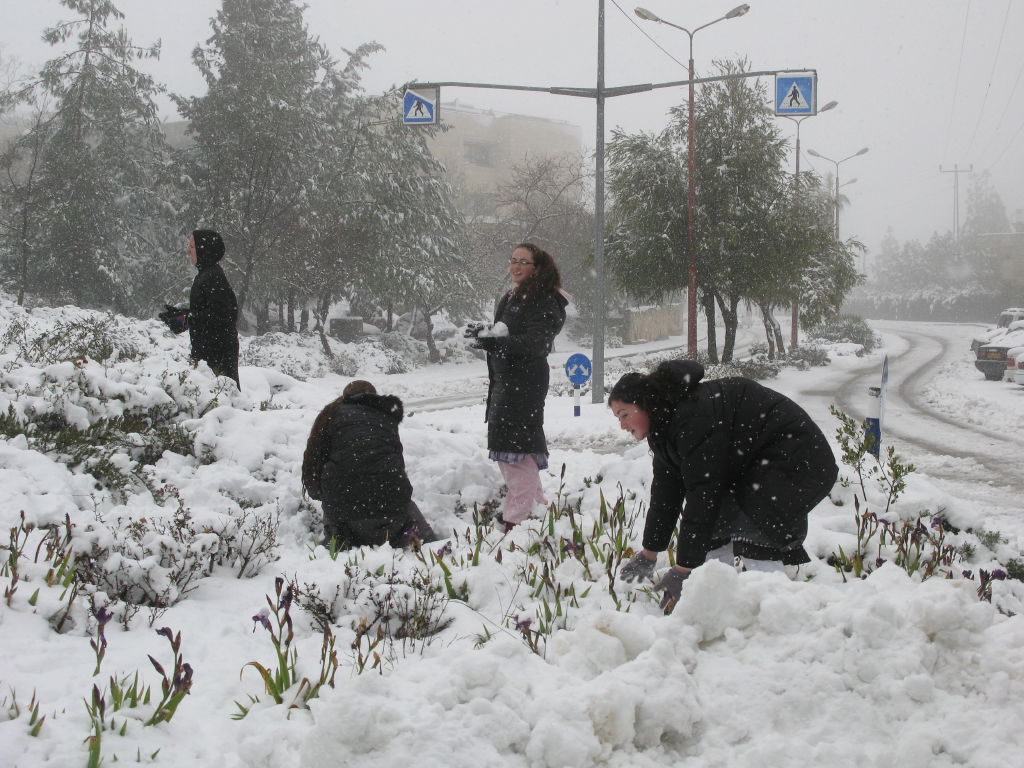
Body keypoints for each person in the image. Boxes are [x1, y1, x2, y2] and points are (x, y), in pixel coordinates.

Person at [610, 359, 838, 610]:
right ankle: (714, 603)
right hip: (756, 464)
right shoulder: (665, 428)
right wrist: (649, 552)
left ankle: (775, 608)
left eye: (624, 415)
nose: (622, 425)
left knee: (756, 526)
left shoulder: (691, 417)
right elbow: (666, 494)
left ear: (645, 404)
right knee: (719, 520)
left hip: (799, 459)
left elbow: (702, 493)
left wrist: (684, 569)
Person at [467, 243, 570, 531]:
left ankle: (517, 518)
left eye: (523, 262)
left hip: (524, 385)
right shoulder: (514, 295)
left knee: (515, 449)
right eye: (513, 260)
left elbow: (536, 342)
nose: (515, 266)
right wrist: (485, 333)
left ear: (537, 268)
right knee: (516, 447)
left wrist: (496, 343)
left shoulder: (545, 299)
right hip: (507, 382)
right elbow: (508, 333)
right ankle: (537, 507)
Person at [301, 380, 436, 549]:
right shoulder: (386, 417)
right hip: (393, 518)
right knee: (405, 506)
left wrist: (322, 495)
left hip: (346, 520)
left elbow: (313, 462)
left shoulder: (330, 415)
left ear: (345, 398)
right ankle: (430, 542)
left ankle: (336, 546)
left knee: (337, 531)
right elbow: (396, 465)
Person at [187, 229, 240, 386]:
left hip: (215, 361)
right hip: (214, 358)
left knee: (221, 403)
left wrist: (201, 356)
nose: (187, 251)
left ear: (204, 250)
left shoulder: (211, 278)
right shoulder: (209, 275)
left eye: (191, 246)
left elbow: (223, 318)